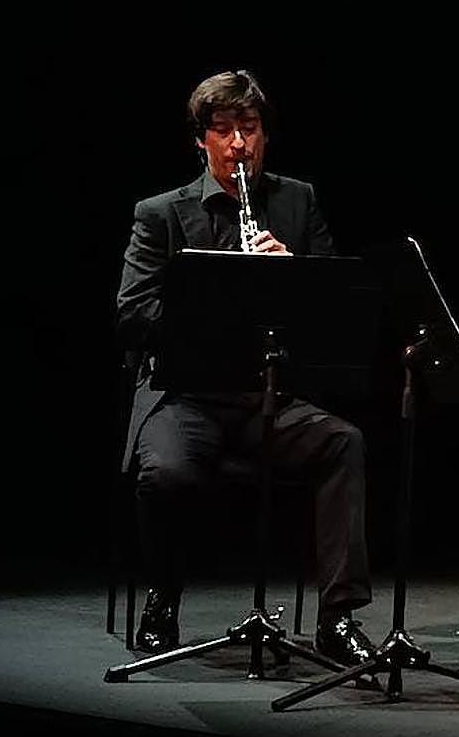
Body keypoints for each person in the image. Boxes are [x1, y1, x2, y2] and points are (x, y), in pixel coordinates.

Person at [116, 70, 376, 665]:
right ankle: (162, 600)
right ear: (201, 139)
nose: (239, 144)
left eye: (250, 129)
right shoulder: (160, 214)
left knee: (344, 442)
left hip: (268, 397)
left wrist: (293, 279)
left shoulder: (297, 200)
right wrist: (211, 296)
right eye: (225, 130)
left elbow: (336, 310)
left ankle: (337, 618)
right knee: (166, 474)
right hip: (185, 396)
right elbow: (131, 314)